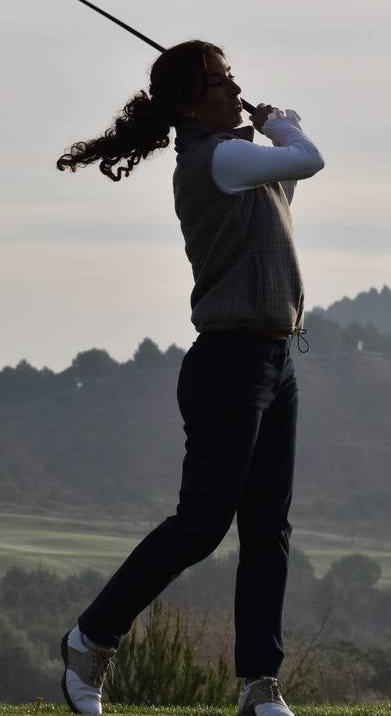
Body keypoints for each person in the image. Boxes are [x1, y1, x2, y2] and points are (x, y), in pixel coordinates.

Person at [52, 40, 324, 716]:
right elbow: (309, 158)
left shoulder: (239, 159)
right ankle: (89, 641)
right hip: (228, 366)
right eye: (220, 82)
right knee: (202, 526)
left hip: (273, 362)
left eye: (233, 78)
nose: (235, 89)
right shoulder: (219, 158)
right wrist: (282, 122)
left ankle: (260, 687)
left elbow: (288, 175)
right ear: (188, 103)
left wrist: (277, 128)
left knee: (268, 530)